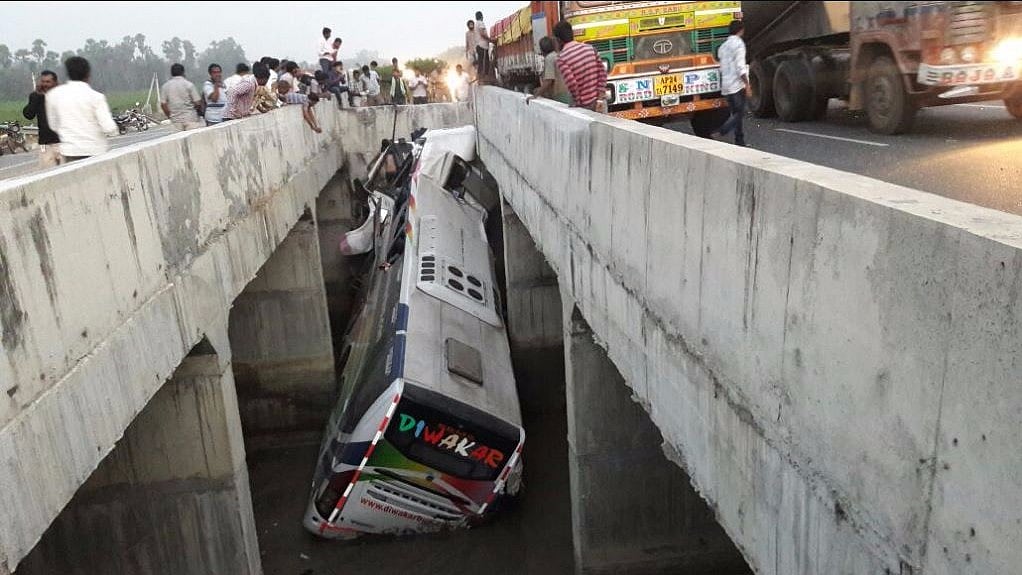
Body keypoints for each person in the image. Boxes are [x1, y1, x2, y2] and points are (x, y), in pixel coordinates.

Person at [44, 57, 117, 162]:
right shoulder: (96, 97)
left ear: (68, 74)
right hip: (96, 152)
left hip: (70, 153)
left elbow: (53, 125)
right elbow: (109, 128)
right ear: (88, 75)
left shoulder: (53, 95)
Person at [553, 20, 607, 111]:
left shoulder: (562, 58)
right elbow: (602, 73)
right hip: (599, 102)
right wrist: (600, 98)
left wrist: (578, 101)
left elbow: (572, 83)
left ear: (558, 40)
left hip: (584, 106)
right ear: (572, 33)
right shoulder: (590, 49)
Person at [713, 20, 750, 147]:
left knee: (736, 113)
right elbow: (740, 67)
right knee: (740, 113)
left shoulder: (723, 47)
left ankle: (739, 141)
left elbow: (721, 66)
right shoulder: (739, 45)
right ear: (741, 30)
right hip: (737, 85)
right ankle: (722, 131)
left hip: (726, 86)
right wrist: (747, 84)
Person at [22, 70, 60, 167]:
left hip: (62, 142)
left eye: (48, 82)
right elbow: (28, 115)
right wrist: (37, 96)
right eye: (43, 81)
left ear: (55, 82)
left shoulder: (61, 96)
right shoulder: (35, 96)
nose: (45, 84)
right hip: (45, 143)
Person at [527, 36, 571, 105]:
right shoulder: (557, 55)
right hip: (567, 93)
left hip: (559, 95)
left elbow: (549, 81)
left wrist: (536, 95)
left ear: (542, 49)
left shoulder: (549, 58)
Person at [160, 63, 204, 131]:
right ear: (183, 72)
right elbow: (198, 103)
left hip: (176, 122)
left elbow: (163, 105)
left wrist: (170, 116)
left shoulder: (165, 86)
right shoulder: (189, 85)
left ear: (172, 73)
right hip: (191, 119)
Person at [475, 11, 492, 80]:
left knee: (481, 62)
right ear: (481, 16)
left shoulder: (476, 24)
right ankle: (484, 78)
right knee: (485, 62)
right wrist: (490, 39)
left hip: (479, 45)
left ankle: (480, 78)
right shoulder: (481, 23)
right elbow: (482, 33)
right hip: (483, 46)